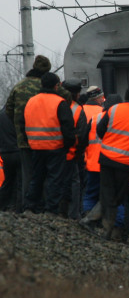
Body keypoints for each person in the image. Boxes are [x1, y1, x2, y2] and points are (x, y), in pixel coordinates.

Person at [5, 55, 71, 205]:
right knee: (49, 175)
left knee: (29, 175)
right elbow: (67, 99)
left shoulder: (19, 86)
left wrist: (20, 127)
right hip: (50, 140)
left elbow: (9, 110)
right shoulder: (51, 86)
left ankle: (27, 208)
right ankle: (47, 208)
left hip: (24, 139)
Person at [96, 85, 129, 241]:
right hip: (126, 163)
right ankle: (104, 229)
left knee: (107, 194)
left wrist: (111, 141)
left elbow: (100, 129)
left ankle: (100, 227)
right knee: (117, 197)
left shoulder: (114, 109)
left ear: (125, 96)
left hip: (106, 158)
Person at [21, 72, 76, 214]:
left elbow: (22, 124)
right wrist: (68, 145)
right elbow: (68, 127)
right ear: (56, 86)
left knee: (36, 177)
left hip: (36, 147)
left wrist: (30, 141)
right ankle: (50, 210)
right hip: (55, 147)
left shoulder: (31, 101)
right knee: (54, 179)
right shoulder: (60, 103)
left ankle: (30, 206)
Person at [60, 79, 90, 219]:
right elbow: (83, 135)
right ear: (77, 94)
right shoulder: (78, 109)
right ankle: (73, 215)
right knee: (74, 183)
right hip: (71, 154)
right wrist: (79, 154)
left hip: (52, 152)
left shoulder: (56, 104)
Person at [80, 88, 110, 215]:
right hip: (106, 160)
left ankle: (87, 217)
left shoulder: (81, 110)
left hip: (87, 160)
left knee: (88, 192)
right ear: (98, 98)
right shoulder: (104, 113)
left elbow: (83, 138)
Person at [0, 109, 21, 212]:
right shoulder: (18, 113)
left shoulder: (1, 114)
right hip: (18, 151)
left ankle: (3, 205)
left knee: (8, 181)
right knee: (19, 181)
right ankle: (16, 207)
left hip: (5, 152)